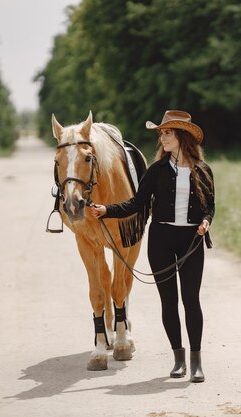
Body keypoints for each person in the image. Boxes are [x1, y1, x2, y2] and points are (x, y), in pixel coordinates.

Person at [89, 110, 215, 383]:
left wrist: (205, 221)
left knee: (191, 302)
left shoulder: (203, 170)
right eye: (161, 133)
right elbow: (136, 203)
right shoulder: (157, 170)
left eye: (167, 132)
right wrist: (105, 210)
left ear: (181, 136)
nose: (162, 137)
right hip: (161, 242)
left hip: (191, 242)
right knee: (168, 303)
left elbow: (210, 206)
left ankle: (196, 361)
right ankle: (178, 360)